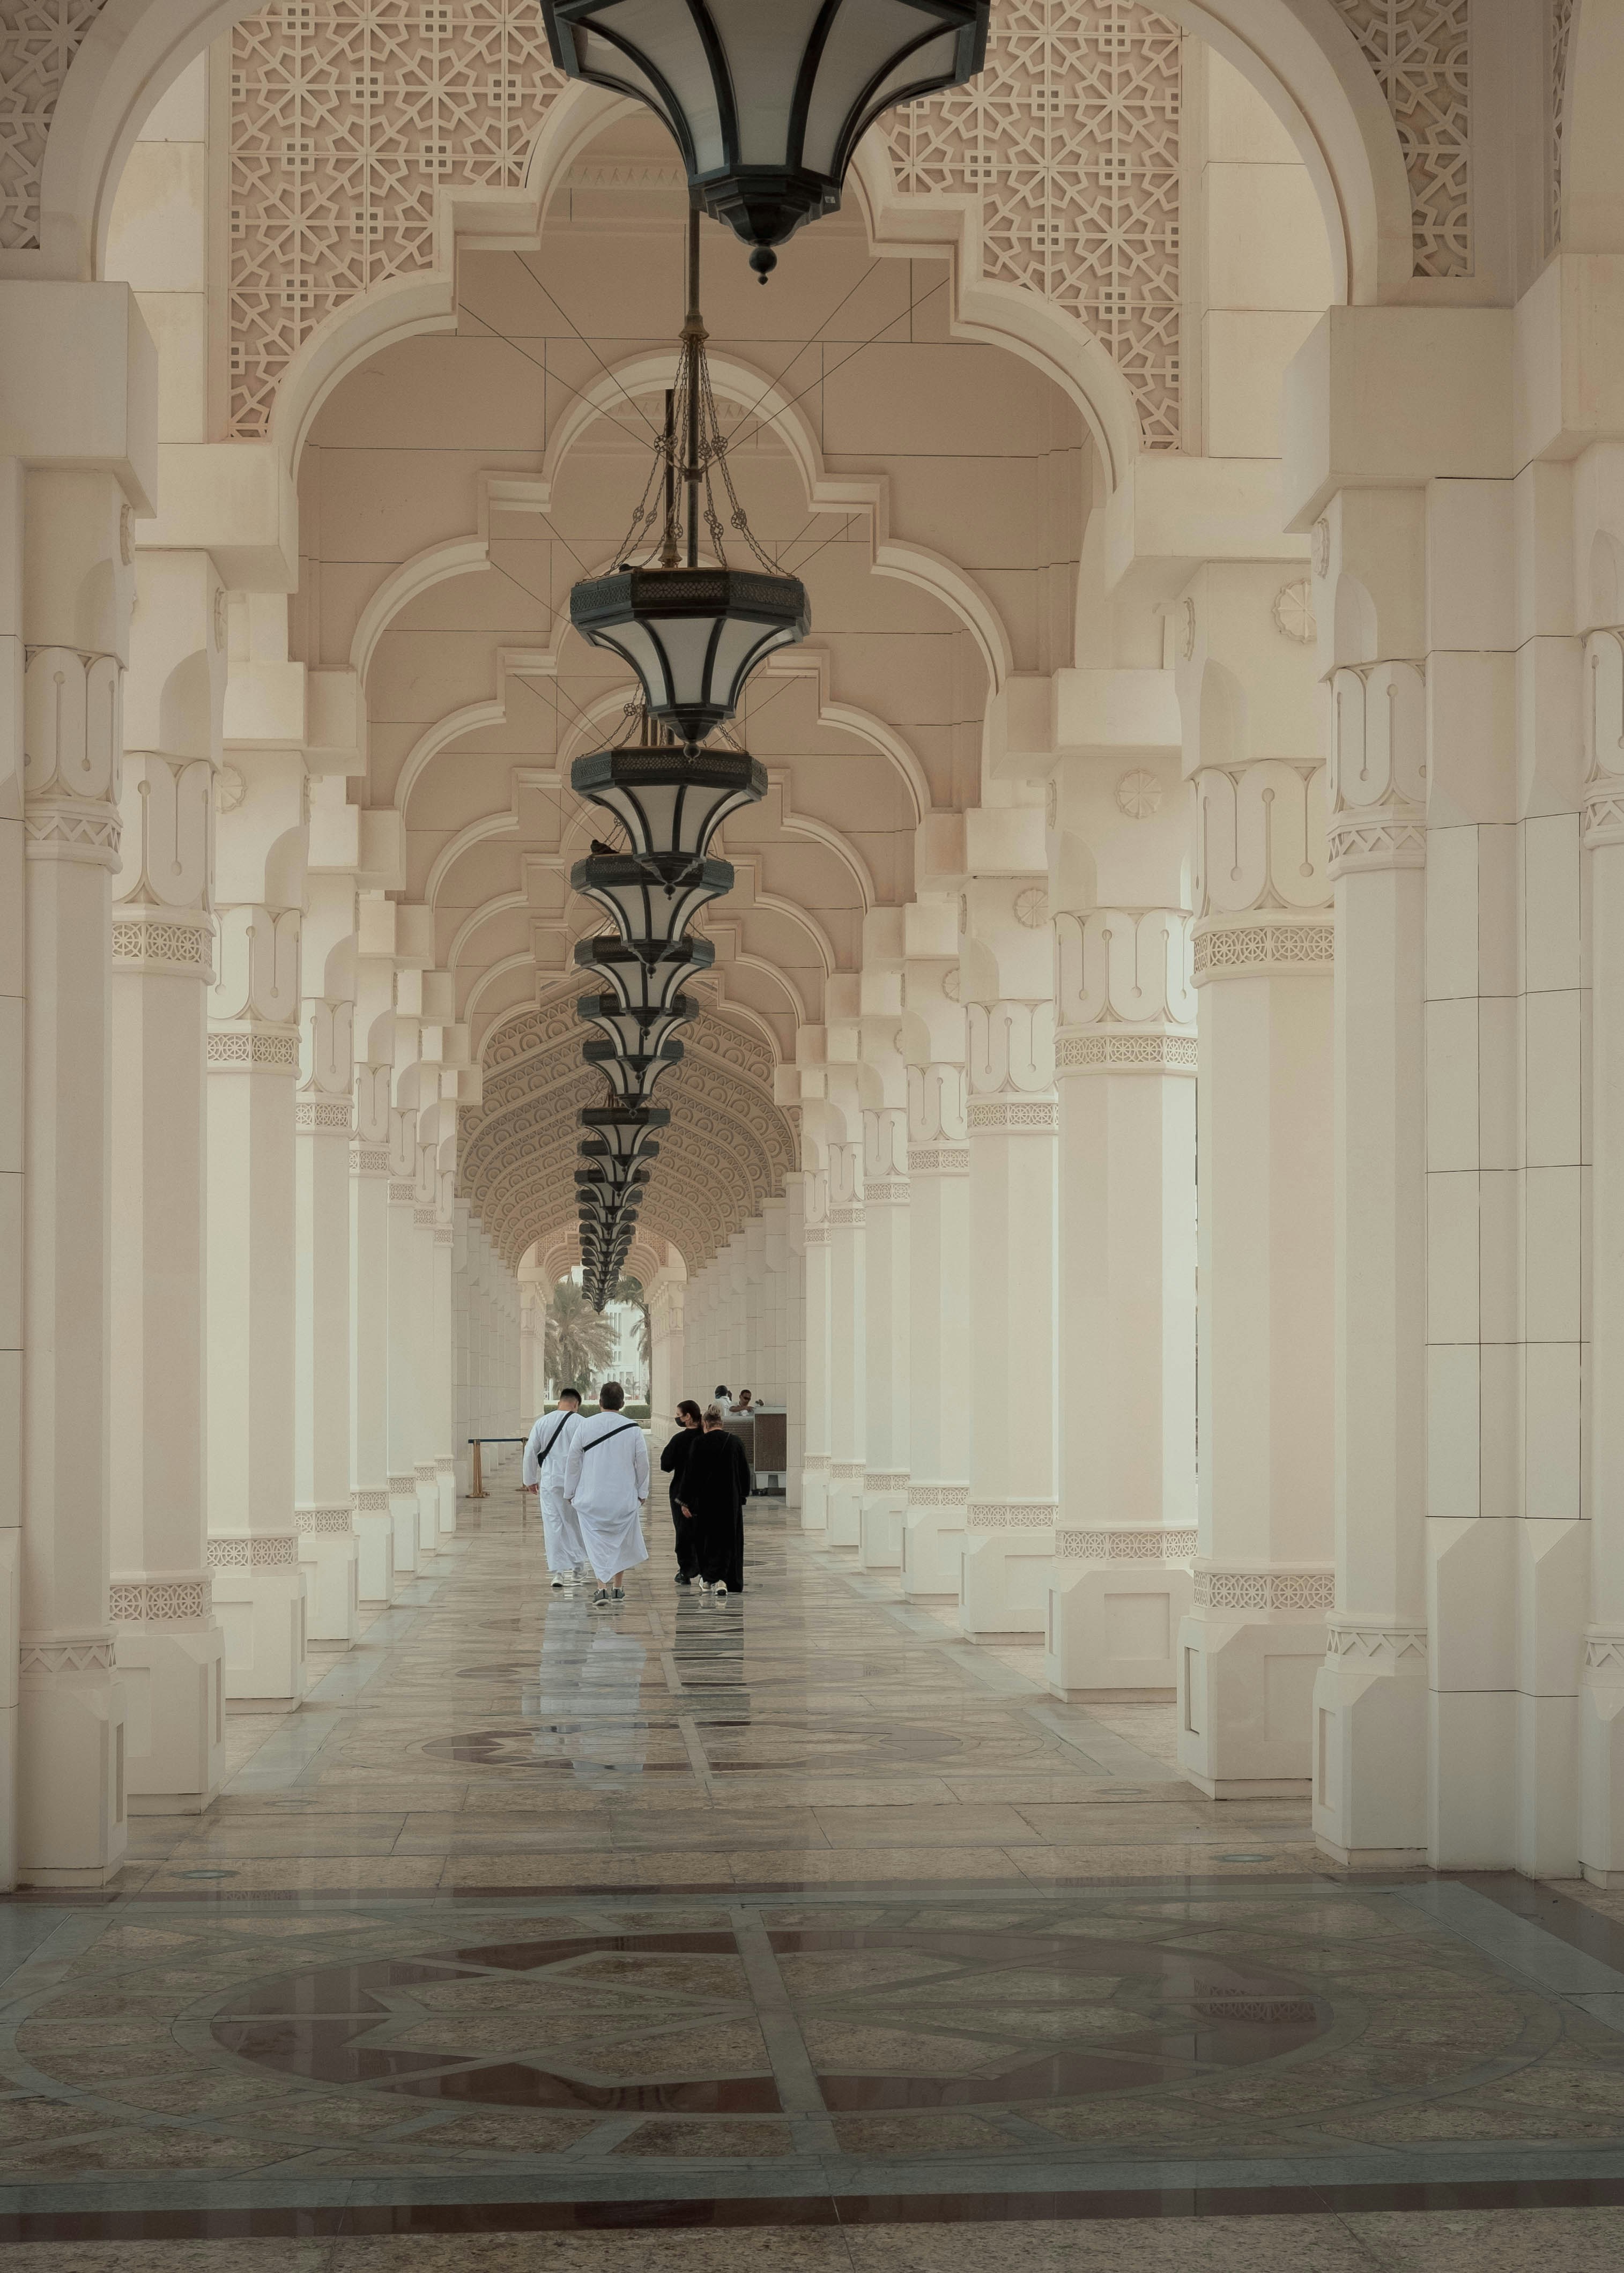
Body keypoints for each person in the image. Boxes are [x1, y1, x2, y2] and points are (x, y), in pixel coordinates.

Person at [561, 1380, 650, 1607]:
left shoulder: (586, 1426)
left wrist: (570, 1492)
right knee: (620, 1542)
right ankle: (618, 1588)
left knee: (596, 1543)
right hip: (623, 1497)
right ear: (622, 1403)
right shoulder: (633, 1429)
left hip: (592, 1497)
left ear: (600, 1402)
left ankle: (601, 1588)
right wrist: (642, 1492)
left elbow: (573, 1462)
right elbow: (643, 1464)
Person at [679, 1405, 752, 1597]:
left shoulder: (699, 1443)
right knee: (729, 1540)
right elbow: (745, 1473)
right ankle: (728, 1580)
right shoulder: (735, 1442)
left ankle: (710, 1578)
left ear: (705, 1424)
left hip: (706, 1503)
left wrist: (685, 1501)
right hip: (730, 1501)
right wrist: (743, 1496)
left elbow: (690, 1475)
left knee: (706, 1540)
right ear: (722, 1423)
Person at [521, 1387, 585, 1587]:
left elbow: (531, 1451)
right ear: (576, 1404)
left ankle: (558, 1573)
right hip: (575, 1483)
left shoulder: (543, 1422)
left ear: (560, 1401)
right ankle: (578, 1569)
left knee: (553, 1525)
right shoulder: (582, 1423)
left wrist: (530, 1479)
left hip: (550, 1481)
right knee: (575, 1524)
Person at [659, 1401, 703, 1586]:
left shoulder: (679, 1440)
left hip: (680, 1492)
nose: (677, 1418)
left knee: (683, 1531)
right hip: (705, 1492)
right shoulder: (708, 1438)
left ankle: (686, 1570)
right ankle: (705, 1568)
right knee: (704, 1530)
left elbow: (666, 1464)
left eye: (679, 1414)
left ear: (688, 1417)